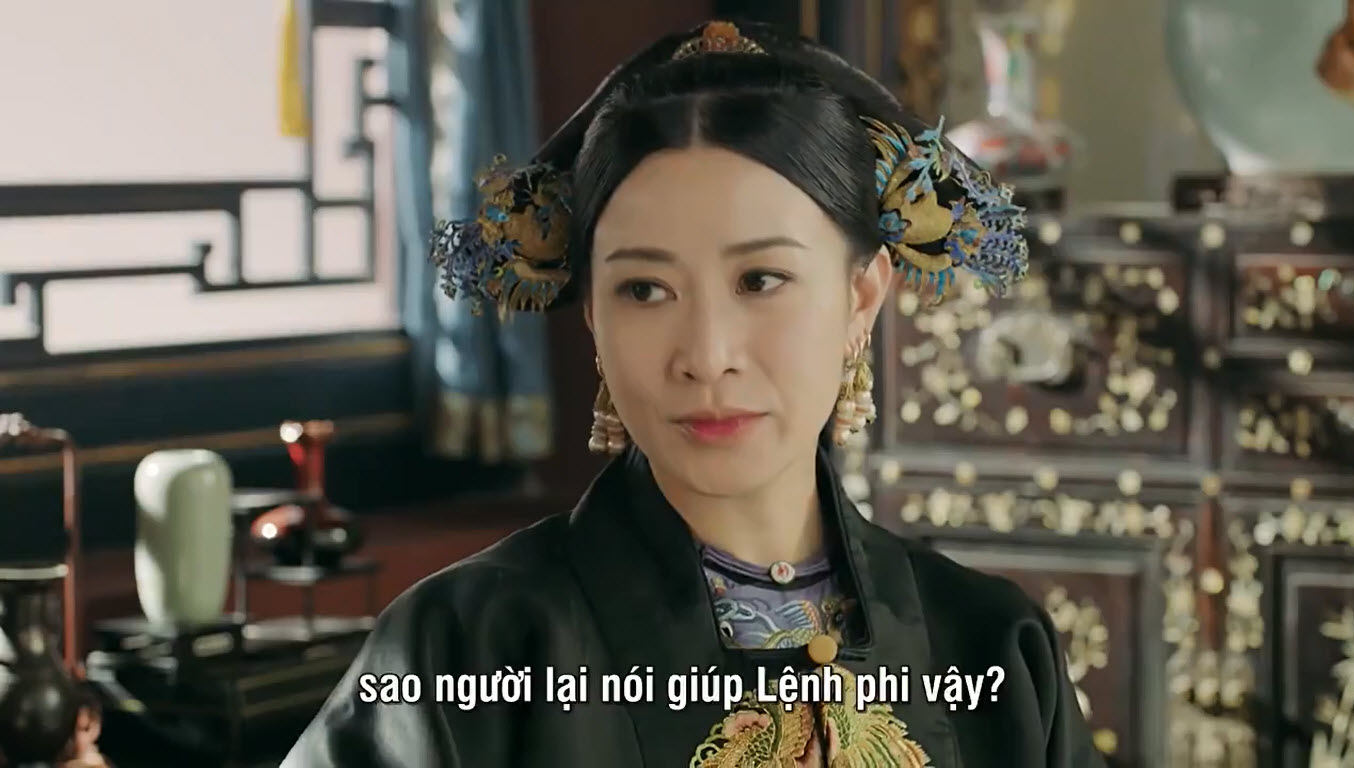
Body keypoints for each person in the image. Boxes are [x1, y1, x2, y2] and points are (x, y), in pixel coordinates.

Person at [284, 19, 1103, 768]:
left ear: (862, 297)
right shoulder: (466, 651)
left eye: (761, 279)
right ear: (593, 314)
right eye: (645, 290)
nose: (707, 357)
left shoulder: (992, 646)